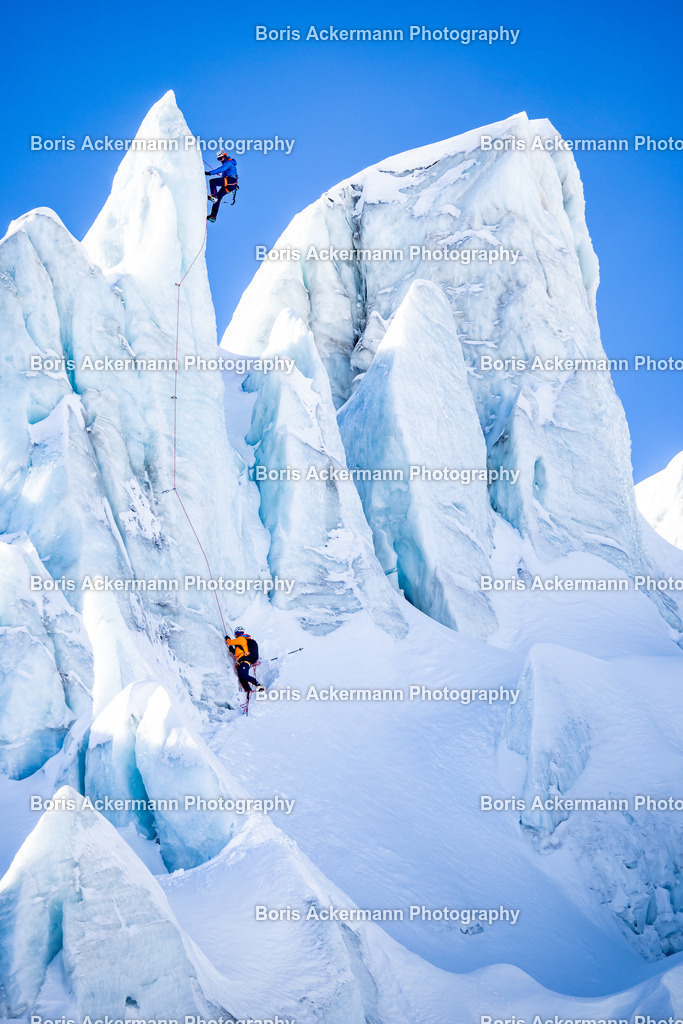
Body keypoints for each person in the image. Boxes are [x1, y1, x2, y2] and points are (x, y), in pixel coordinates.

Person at [225, 627, 262, 692]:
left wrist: (227, 638)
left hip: (244, 660)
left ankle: (258, 685)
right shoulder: (242, 640)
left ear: (237, 633)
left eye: (235, 634)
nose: (235, 635)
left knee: (244, 676)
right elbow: (239, 652)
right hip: (242, 661)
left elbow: (230, 642)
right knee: (242, 677)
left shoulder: (241, 638)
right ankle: (248, 690)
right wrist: (233, 650)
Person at [206, 152, 238, 222]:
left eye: (220, 158)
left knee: (212, 181)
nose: (220, 160)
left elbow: (221, 169)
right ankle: (213, 216)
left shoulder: (228, 162)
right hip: (231, 184)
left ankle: (213, 196)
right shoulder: (228, 163)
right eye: (218, 159)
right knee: (219, 197)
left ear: (224, 156)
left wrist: (209, 173)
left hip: (231, 181)